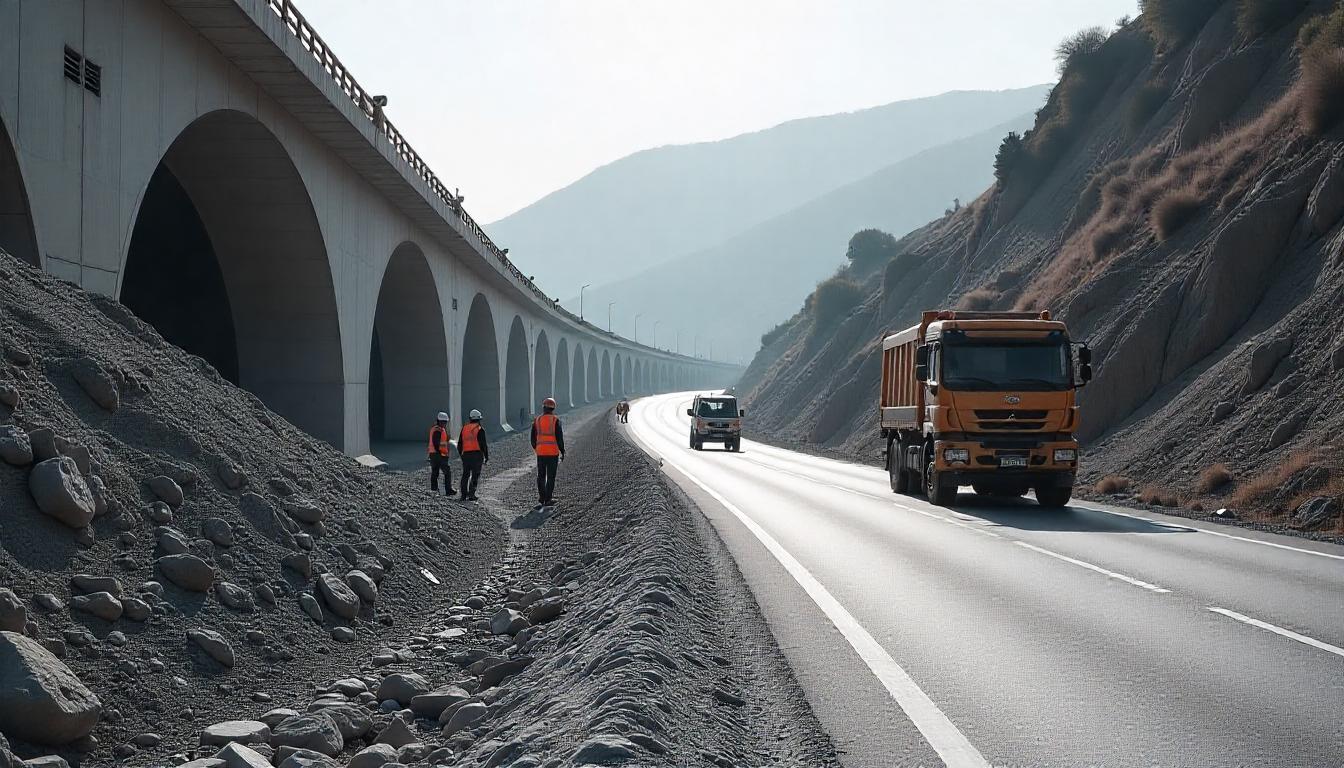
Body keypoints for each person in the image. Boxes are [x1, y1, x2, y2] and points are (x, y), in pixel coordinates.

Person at [531, 397, 565, 506]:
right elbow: (559, 437)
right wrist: (562, 450)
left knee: (541, 476)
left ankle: (542, 498)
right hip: (553, 453)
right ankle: (548, 499)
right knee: (551, 476)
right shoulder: (556, 420)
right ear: (553, 408)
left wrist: (537, 448)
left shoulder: (537, 420)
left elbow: (532, 438)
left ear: (543, 407)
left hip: (541, 453)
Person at [458, 408, 489, 501]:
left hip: (466, 455)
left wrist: (462, 455)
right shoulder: (479, 429)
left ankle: (463, 495)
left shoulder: (464, 428)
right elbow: (483, 444)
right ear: (478, 419)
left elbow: (460, 443)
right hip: (477, 454)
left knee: (465, 475)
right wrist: (486, 456)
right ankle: (471, 494)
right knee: (475, 475)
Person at [427, 411, 456, 496]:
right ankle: (448, 490)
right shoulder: (438, 430)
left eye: (445, 422)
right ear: (439, 421)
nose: (444, 424)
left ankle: (434, 490)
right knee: (447, 472)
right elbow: (436, 443)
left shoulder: (437, 429)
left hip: (434, 454)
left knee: (435, 472)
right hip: (439, 455)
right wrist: (441, 453)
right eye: (443, 422)